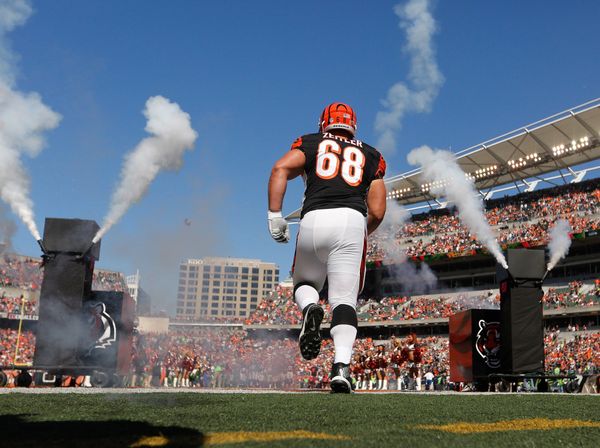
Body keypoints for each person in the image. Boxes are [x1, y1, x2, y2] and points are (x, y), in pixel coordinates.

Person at [267, 102, 387, 393]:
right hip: (351, 220)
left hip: (314, 218)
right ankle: (341, 369)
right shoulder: (371, 155)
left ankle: (310, 308)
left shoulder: (311, 142)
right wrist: (360, 234)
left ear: (324, 123)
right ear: (353, 125)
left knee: (305, 283)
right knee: (344, 300)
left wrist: (275, 215)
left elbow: (280, 167)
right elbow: (379, 209)